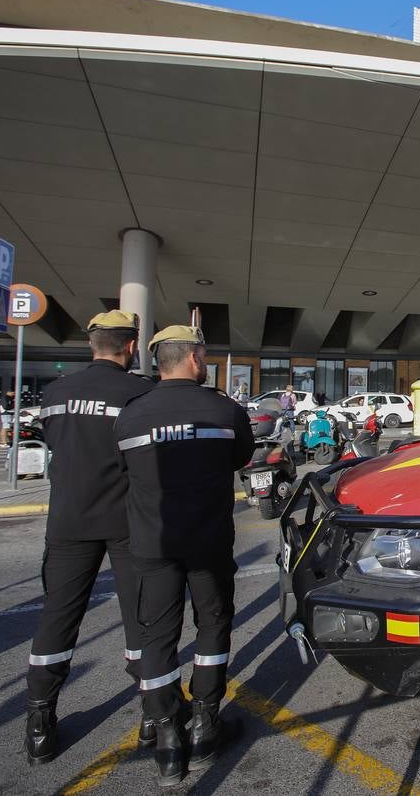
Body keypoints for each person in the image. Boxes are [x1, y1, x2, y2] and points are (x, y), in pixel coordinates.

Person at [115, 325, 254, 785]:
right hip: (209, 542)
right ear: (195, 358)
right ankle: (206, 724)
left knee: (157, 636)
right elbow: (240, 458)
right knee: (212, 626)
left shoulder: (132, 416)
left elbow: (122, 469)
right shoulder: (223, 409)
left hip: (153, 545)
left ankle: (168, 737)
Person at [23, 311, 155, 764]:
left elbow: (58, 444)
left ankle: (40, 722)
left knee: (58, 617)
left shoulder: (56, 392)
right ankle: (152, 715)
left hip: (68, 522)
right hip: (125, 521)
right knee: (140, 617)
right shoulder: (139, 392)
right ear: (131, 347)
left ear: (92, 344)